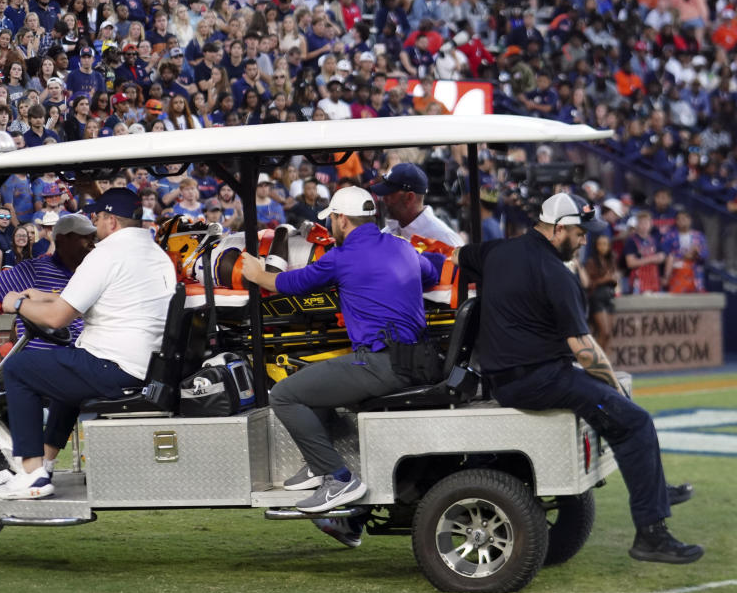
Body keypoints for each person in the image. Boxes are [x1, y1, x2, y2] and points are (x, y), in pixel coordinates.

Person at [455, 192, 702, 565]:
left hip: (505, 377)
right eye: (580, 233)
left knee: (618, 407)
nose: (585, 240)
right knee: (634, 421)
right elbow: (585, 350)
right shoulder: (556, 273)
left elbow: (457, 257)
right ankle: (651, 535)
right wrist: (615, 389)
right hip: (538, 378)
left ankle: (655, 490)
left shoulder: (496, 251)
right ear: (558, 229)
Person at [240, 186, 441, 526]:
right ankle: (318, 465)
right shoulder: (402, 247)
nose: (331, 225)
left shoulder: (341, 256)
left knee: (285, 394)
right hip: (420, 360)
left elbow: (288, 284)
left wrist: (256, 272)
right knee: (310, 380)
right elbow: (431, 270)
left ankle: (338, 478)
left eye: (331, 219)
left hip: (383, 364)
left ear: (342, 220)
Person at [0, 189, 176, 500]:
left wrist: (17, 304)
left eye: (97, 218)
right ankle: (46, 463)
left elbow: (57, 318)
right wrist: (42, 295)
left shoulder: (105, 254)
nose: (94, 225)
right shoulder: (153, 253)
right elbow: (93, 298)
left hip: (116, 367)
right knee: (69, 368)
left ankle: (30, 474)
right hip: (144, 364)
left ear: (111, 221)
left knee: (19, 367)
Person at [0, 214, 95, 369]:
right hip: (44, 363)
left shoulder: (92, 273)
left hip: (84, 361)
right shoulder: (35, 269)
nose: (92, 244)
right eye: (85, 238)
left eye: (93, 238)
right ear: (63, 241)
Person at [370, 163, 463, 247]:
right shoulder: (387, 233)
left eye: (390, 194)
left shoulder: (444, 238)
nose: (384, 198)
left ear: (409, 197)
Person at [623, 211, 664, 294]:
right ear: (637, 224)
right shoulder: (631, 241)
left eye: (647, 222)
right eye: (641, 223)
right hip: (638, 280)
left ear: (651, 224)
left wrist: (660, 257)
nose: (644, 225)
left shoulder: (654, 240)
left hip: (653, 279)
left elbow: (661, 256)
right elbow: (630, 263)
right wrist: (652, 259)